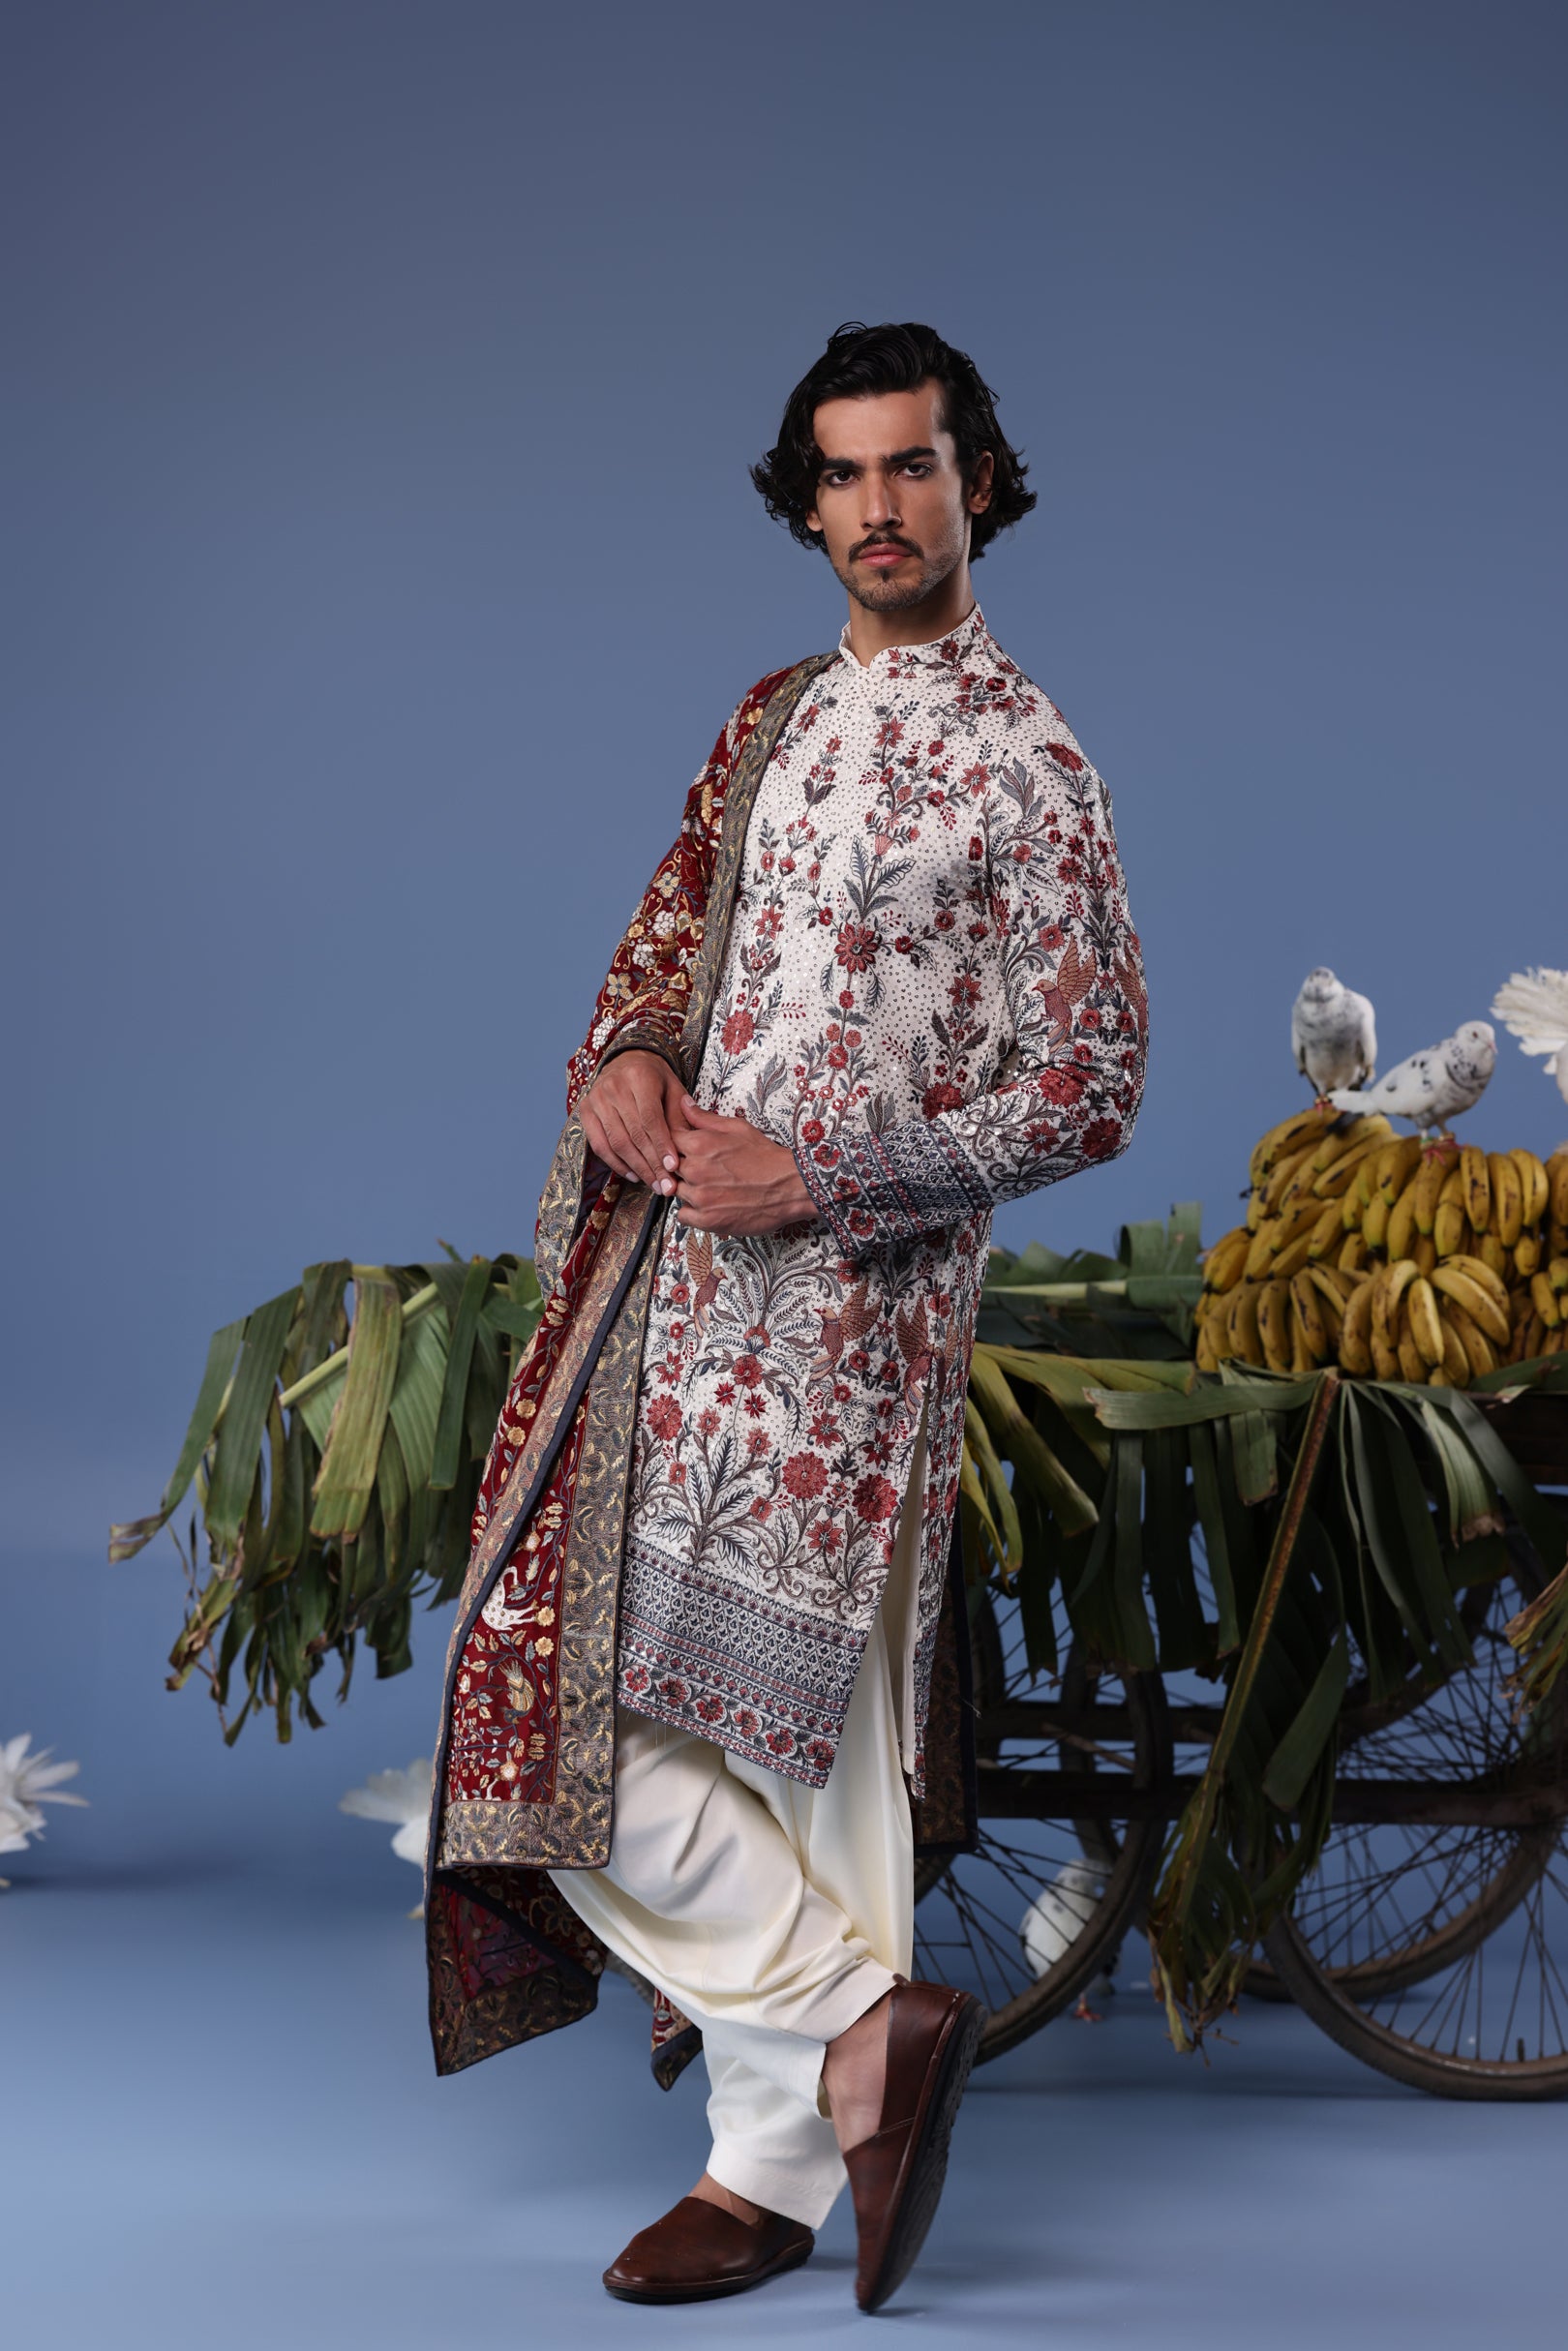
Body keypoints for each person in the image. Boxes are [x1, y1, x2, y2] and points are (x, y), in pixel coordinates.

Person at [423, 320, 1147, 2311]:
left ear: (977, 484)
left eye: (913, 466)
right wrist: (628, 1062)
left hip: (855, 1346)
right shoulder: (772, 718)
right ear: (806, 500)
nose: (878, 508)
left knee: (805, 1761)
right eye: (843, 474)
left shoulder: (1033, 765)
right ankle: (860, 2027)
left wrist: (820, 1172)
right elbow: (668, 931)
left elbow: (1089, 1084)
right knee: (543, 1691)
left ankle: (767, 2176)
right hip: (674, 1305)